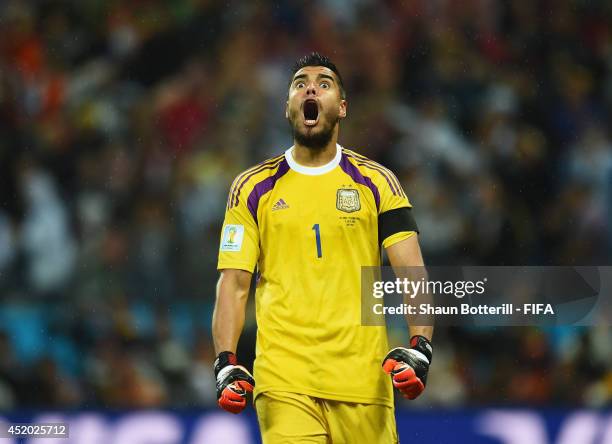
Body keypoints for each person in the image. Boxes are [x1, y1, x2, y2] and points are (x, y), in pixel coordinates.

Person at [212, 52, 433, 443]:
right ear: (288, 107)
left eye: (323, 83)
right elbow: (233, 282)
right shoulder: (250, 188)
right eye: (300, 83)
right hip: (284, 379)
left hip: (364, 379)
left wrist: (420, 346)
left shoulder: (378, 183)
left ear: (342, 107)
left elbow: (411, 272)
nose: (310, 87)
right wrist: (225, 362)